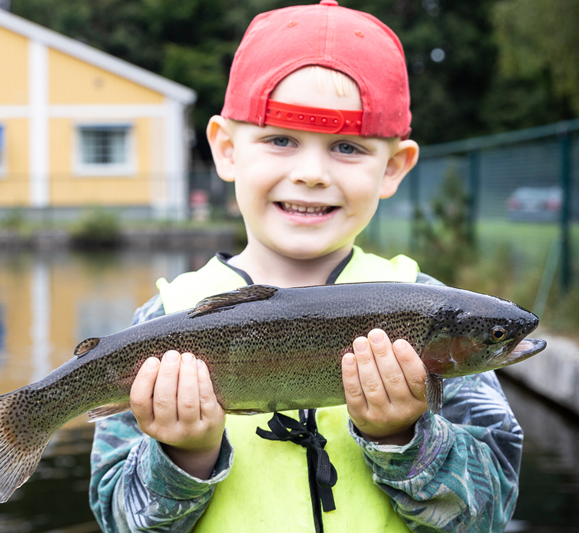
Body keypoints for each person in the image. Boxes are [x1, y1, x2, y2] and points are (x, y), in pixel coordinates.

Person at [90, 2, 522, 532]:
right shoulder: (160, 321)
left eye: (346, 146)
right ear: (226, 149)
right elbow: (117, 520)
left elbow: (492, 514)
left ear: (394, 168)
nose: (312, 173)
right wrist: (183, 456)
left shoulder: (438, 312)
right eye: (280, 140)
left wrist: (406, 439)